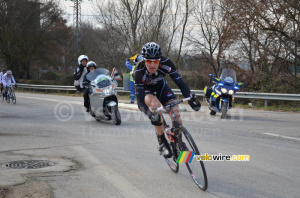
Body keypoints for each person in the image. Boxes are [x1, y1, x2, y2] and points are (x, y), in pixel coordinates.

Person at [134, 42, 201, 158]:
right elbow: (140, 102)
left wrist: (190, 97)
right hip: (146, 91)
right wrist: (151, 115)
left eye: (156, 61)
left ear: (160, 60)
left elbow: (179, 82)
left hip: (161, 87)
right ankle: (162, 141)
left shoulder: (166, 63)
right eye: (149, 61)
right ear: (144, 61)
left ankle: (179, 142)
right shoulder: (138, 71)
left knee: (175, 112)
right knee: (156, 108)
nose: (152, 65)